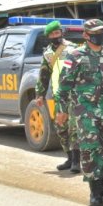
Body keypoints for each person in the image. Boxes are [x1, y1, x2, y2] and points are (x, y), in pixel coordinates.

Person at [55, 19, 103, 206]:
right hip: (85, 112)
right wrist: (61, 111)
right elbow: (63, 87)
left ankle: (102, 184)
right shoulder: (75, 56)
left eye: (101, 31)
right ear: (86, 35)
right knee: (90, 150)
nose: (100, 35)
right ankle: (94, 192)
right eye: (95, 32)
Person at [35, 20, 79, 173]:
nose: (55, 36)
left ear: (62, 32)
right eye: (52, 34)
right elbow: (44, 74)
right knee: (61, 126)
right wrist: (40, 94)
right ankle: (68, 157)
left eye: (57, 33)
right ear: (49, 36)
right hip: (58, 95)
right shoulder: (47, 53)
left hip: (74, 94)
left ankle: (76, 160)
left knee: (73, 127)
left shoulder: (72, 49)